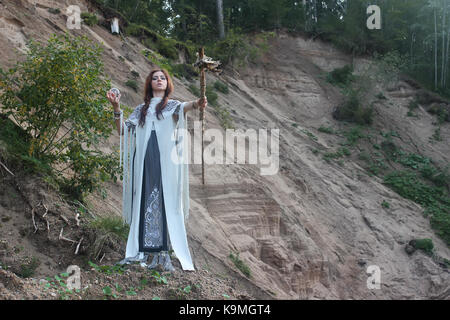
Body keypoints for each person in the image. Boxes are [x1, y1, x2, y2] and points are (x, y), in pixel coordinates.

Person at [106, 69, 207, 271]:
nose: (159, 80)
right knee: (143, 198)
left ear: (167, 83)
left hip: (165, 163)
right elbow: (123, 131)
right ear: (149, 83)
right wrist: (116, 107)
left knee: (164, 199)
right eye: (155, 78)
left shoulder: (172, 106)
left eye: (162, 78)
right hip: (143, 160)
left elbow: (188, 106)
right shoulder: (140, 109)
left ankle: (162, 254)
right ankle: (141, 252)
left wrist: (198, 103)